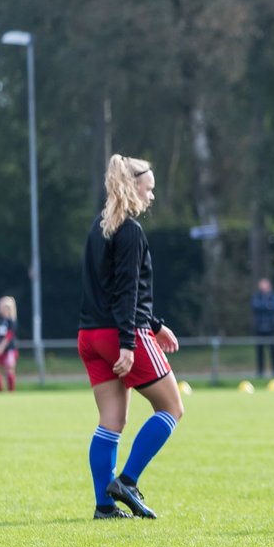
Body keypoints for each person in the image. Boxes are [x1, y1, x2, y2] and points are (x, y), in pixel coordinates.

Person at [77, 154, 184, 521]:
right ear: (133, 186)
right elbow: (126, 293)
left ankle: (104, 506)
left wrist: (154, 324)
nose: (151, 196)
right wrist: (129, 340)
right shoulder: (131, 230)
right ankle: (127, 481)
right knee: (172, 408)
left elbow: (114, 287)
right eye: (149, 188)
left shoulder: (99, 227)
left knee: (111, 421)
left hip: (89, 334)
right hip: (121, 333)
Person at [251, 277, 274, 378]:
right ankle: (260, 372)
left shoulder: (273, 296)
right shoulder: (257, 296)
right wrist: (267, 306)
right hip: (259, 327)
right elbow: (255, 306)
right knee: (260, 351)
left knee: (273, 350)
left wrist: (264, 306)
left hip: (271, 327)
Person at [0, 296, 18, 392]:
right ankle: (0, 390)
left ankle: (11, 392)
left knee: (9, 370)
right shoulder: (1, 320)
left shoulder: (11, 321)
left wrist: (2, 346)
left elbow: (9, 336)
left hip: (9, 349)